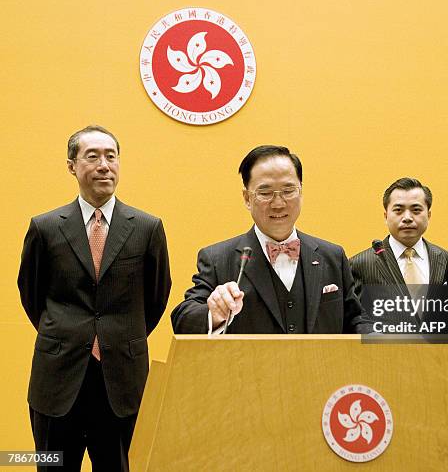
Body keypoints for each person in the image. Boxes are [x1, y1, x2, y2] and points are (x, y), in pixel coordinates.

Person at [18, 125, 172, 471]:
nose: (104, 165)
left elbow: (157, 296)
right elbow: (31, 293)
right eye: (93, 156)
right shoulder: (45, 227)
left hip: (122, 378)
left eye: (111, 156)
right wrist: (65, 333)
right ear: (72, 165)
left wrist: (118, 335)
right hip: (57, 379)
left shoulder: (148, 228)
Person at [171, 145, 370, 334]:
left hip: (319, 369)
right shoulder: (217, 258)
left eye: (288, 191)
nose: (278, 203)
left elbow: (355, 321)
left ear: (301, 191)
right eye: (265, 193)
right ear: (247, 198)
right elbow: (182, 319)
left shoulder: (332, 256)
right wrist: (214, 314)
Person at [350, 178, 448, 333]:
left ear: (428, 215)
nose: (407, 217)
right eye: (398, 210)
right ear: (385, 215)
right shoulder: (360, 263)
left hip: (435, 354)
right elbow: (356, 319)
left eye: (416, 210)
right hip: (384, 354)